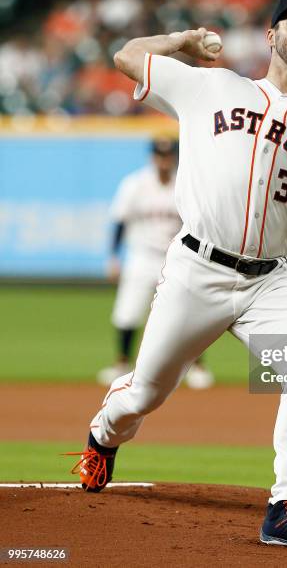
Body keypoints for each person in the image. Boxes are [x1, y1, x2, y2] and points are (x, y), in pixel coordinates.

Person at [68, 0, 287, 554]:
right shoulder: (213, 86)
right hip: (197, 265)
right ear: (271, 35)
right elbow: (125, 55)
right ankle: (102, 434)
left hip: (271, 279)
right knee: (145, 392)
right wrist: (184, 43)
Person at [96, 139, 214, 390]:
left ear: (174, 157)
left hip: (175, 256)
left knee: (187, 312)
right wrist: (113, 257)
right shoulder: (135, 184)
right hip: (141, 255)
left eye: (168, 155)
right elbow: (119, 221)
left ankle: (197, 366)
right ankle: (121, 364)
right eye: (160, 155)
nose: (164, 160)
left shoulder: (186, 183)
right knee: (127, 312)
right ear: (152, 157)